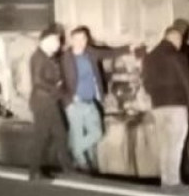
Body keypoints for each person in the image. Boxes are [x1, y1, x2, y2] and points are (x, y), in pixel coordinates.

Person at [59, 27, 141, 172]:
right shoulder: (66, 57)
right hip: (75, 103)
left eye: (83, 39)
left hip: (91, 101)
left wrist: (128, 48)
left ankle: (73, 152)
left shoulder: (90, 52)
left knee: (97, 133)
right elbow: (58, 80)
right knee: (78, 134)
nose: (81, 42)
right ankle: (84, 166)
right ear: (71, 40)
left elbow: (110, 53)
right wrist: (68, 99)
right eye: (77, 39)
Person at [142, 25, 189, 192]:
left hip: (158, 106)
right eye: (180, 40)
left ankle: (166, 180)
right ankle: (173, 182)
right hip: (176, 105)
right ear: (176, 38)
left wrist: (155, 97)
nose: (181, 43)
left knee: (164, 144)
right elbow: (188, 82)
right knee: (176, 144)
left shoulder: (150, 57)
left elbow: (146, 82)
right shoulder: (176, 55)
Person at [28, 25, 76, 181]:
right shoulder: (38, 57)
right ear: (46, 40)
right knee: (42, 137)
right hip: (43, 102)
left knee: (60, 133)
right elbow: (38, 81)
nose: (58, 44)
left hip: (49, 101)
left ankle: (67, 168)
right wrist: (57, 89)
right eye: (56, 40)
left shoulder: (47, 57)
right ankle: (35, 172)